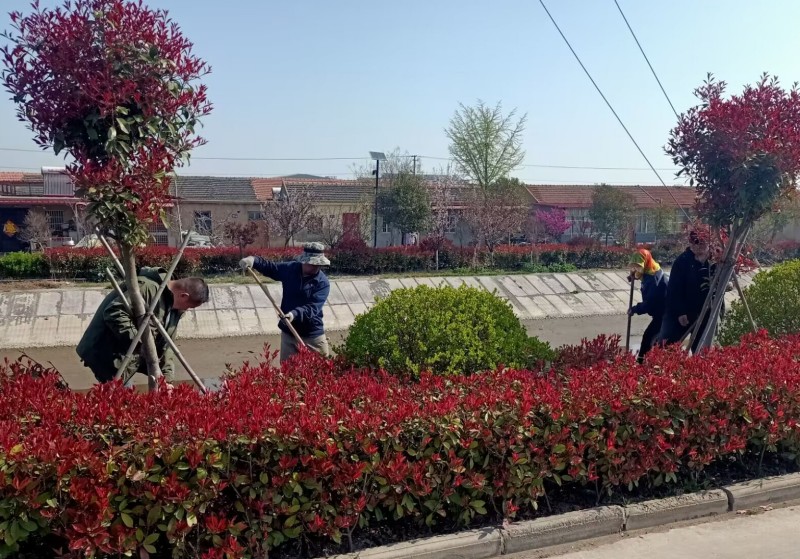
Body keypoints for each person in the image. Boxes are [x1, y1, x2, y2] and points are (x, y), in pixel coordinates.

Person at [77, 267, 210, 386]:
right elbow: (114, 312)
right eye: (189, 306)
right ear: (184, 296)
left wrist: (166, 379)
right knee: (121, 395)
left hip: (129, 354)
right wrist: (141, 344)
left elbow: (166, 345)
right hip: (105, 350)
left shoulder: (174, 308)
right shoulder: (146, 288)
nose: (186, 310)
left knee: (132, 393)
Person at [240, 242, 331, 362]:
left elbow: (312, 308)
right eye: (312, 263)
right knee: (288, 370)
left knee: (320, 369)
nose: (316, 267)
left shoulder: (322, 282)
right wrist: (254, 260)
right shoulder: (291, 269)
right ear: (304, 261)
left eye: (318, 264)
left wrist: (293, 314)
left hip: (312, 335)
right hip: (289, 333)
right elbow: (271, 268)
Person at [656, 230, 718, 353]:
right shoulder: (682, 261)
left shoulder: (715, 261)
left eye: (703, 242)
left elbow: (720, 285)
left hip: (706, 311)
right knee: (667, 345)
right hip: (680, 311)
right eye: (696, 242)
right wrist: (680, 312)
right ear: (691, 243)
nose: (699, 245)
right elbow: (674, 290)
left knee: (702, 349)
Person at [627, 248, 668, 363]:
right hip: (659, 312)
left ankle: (642, 363)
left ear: (646, 262)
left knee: (649, 338)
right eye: (634, 266)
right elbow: (640, 273)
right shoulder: (650, 270)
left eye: (638, 266)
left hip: (666, 313)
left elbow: (649, 304)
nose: (636, 269)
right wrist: (633, 276)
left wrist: (634, 309)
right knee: (653, 339)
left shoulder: (653, 279)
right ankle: (647, 362)